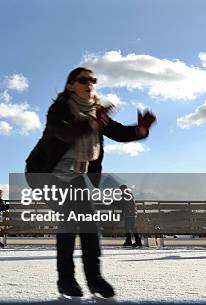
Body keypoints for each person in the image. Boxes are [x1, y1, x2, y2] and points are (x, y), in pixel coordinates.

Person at [25, 67, 156, 299]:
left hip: (74, 177)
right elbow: (64, 133)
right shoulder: (59, 109)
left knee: (89, 224)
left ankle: (94, 278)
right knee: (69, 219)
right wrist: (93, 124)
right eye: (84, 80)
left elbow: (120, 133)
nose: (90, 83)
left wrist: (141, 129)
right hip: (45, 174)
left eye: (93, 80)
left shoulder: (97, 112)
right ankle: (66, 280)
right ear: (70, 86)